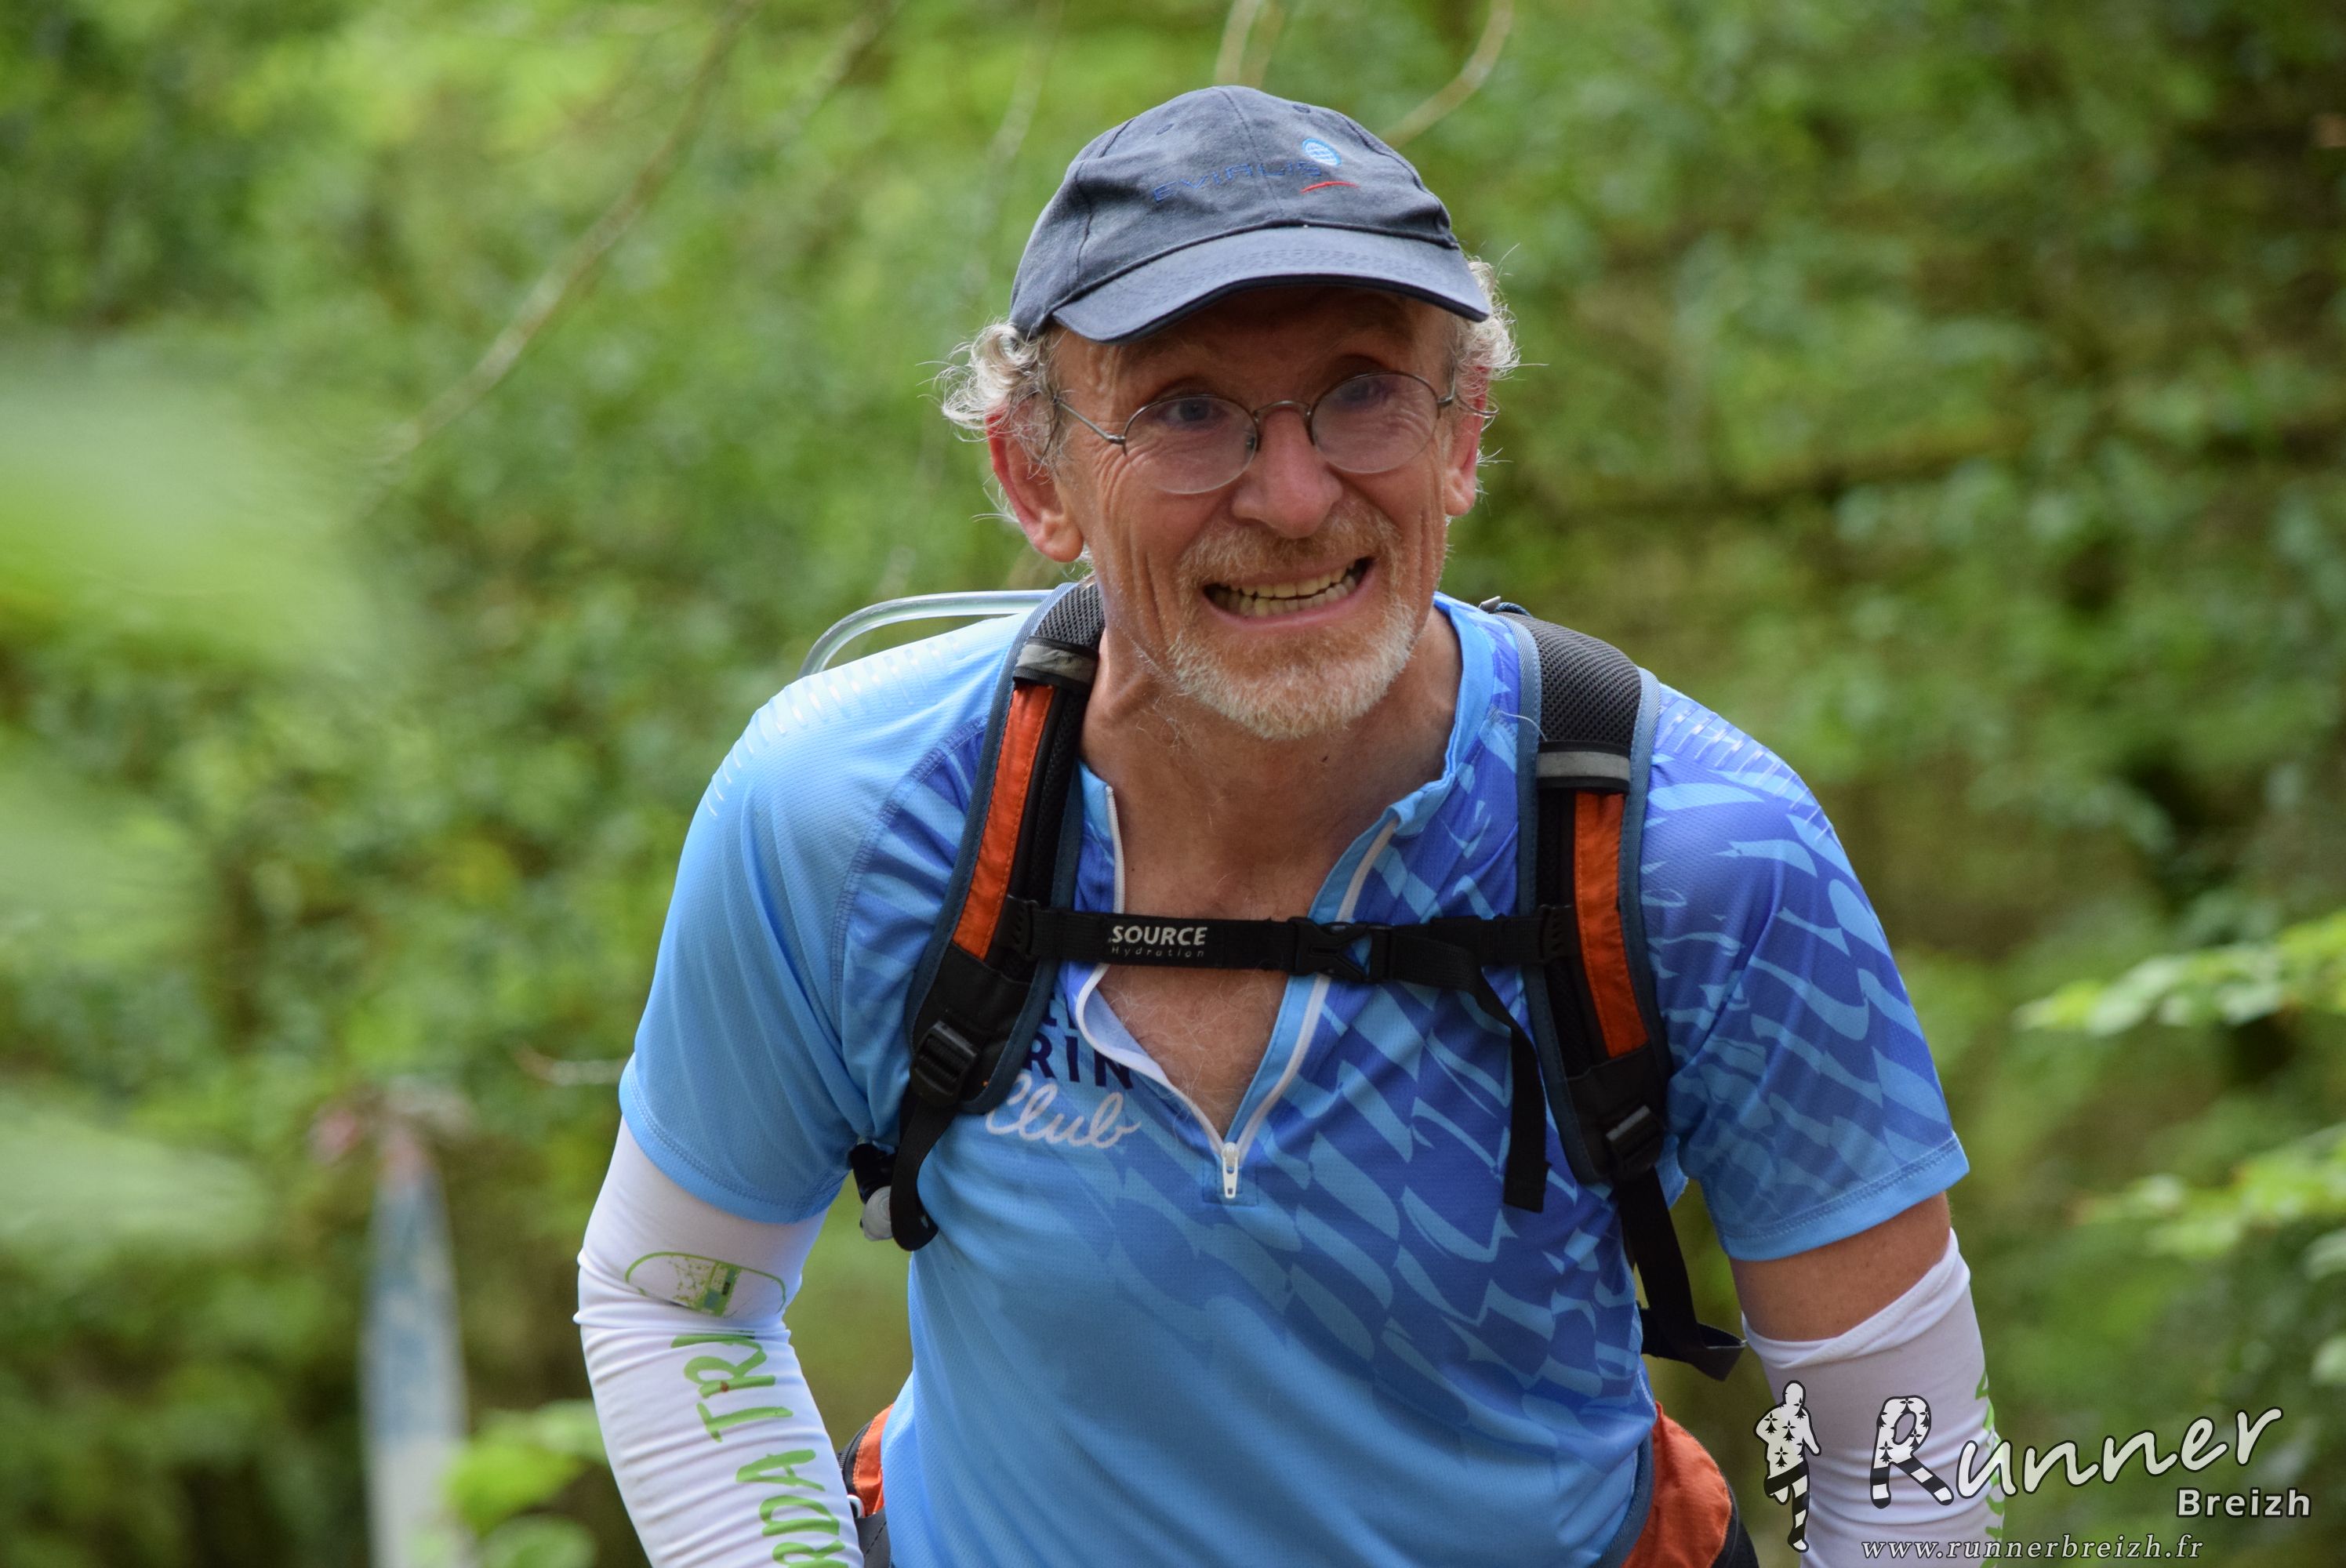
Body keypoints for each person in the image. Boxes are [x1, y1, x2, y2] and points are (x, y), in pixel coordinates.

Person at [577, 86, 2000, 1567]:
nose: (1298, 495)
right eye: (1186, 409)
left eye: (1365, 392)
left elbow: (1904, 1462)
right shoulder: (857, 816)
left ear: (1463, 433)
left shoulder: (1701, 858)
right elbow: (677, 1301)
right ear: (1034, 475)